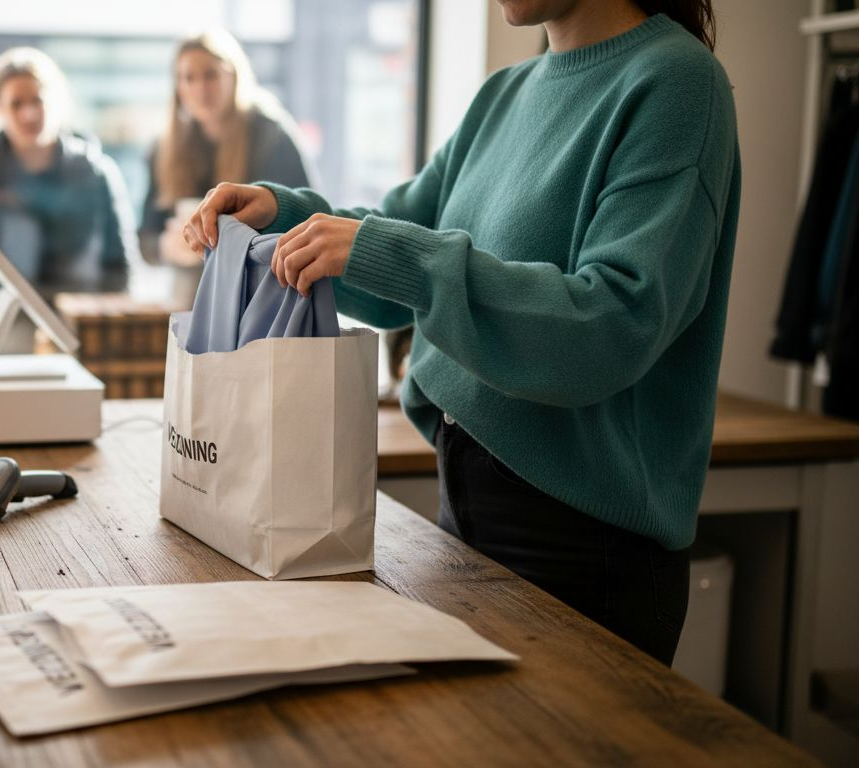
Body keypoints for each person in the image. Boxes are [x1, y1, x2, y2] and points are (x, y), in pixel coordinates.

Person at [184, 0, 738, 666]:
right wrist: (286, 214)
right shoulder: (504, 94)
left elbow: (611, 327)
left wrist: (388, 253)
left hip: (586, 551)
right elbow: (393, 248)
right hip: (465, 511)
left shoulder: (677, 82)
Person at [141, 29, 313, 304]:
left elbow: (306, 220)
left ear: (233, 76)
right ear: (178, 88)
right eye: (189, 78)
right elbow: (146, 240)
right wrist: (167, 247)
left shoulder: (272, 138)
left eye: (211, 75)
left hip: (263, 292)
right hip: (191, 296)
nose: (200, 88)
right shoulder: (165, 149)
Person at [0, 47, 137, 294]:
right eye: (16, 104)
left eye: (37, 101)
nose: (29, 114)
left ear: (56, 102)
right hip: (2, 315)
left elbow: (119, 263)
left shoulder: (94, 171)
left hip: (78, 313)